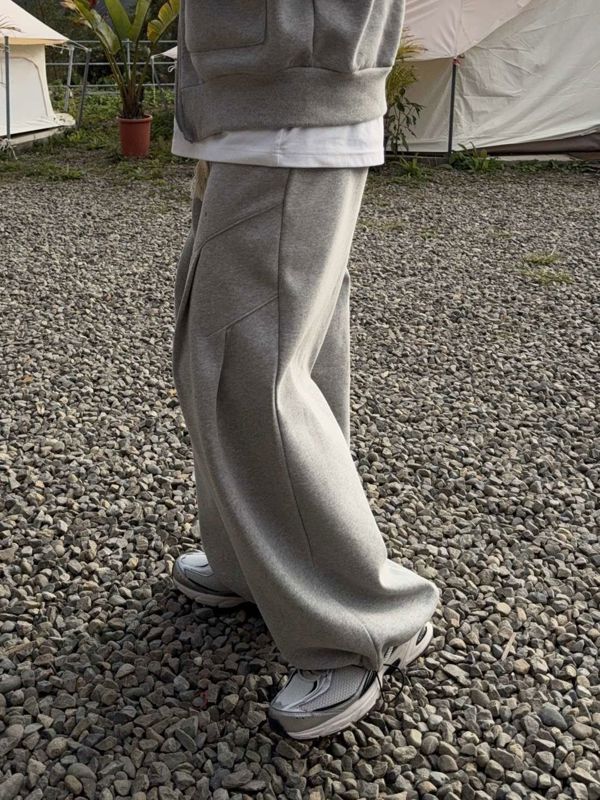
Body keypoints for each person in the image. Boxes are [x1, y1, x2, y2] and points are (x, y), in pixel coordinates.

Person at [169, 0, 441, 740]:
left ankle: (361, 621)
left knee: (244, 370)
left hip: (290, 98)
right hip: (256, 97)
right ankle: (254, 563)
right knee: (278, 355)